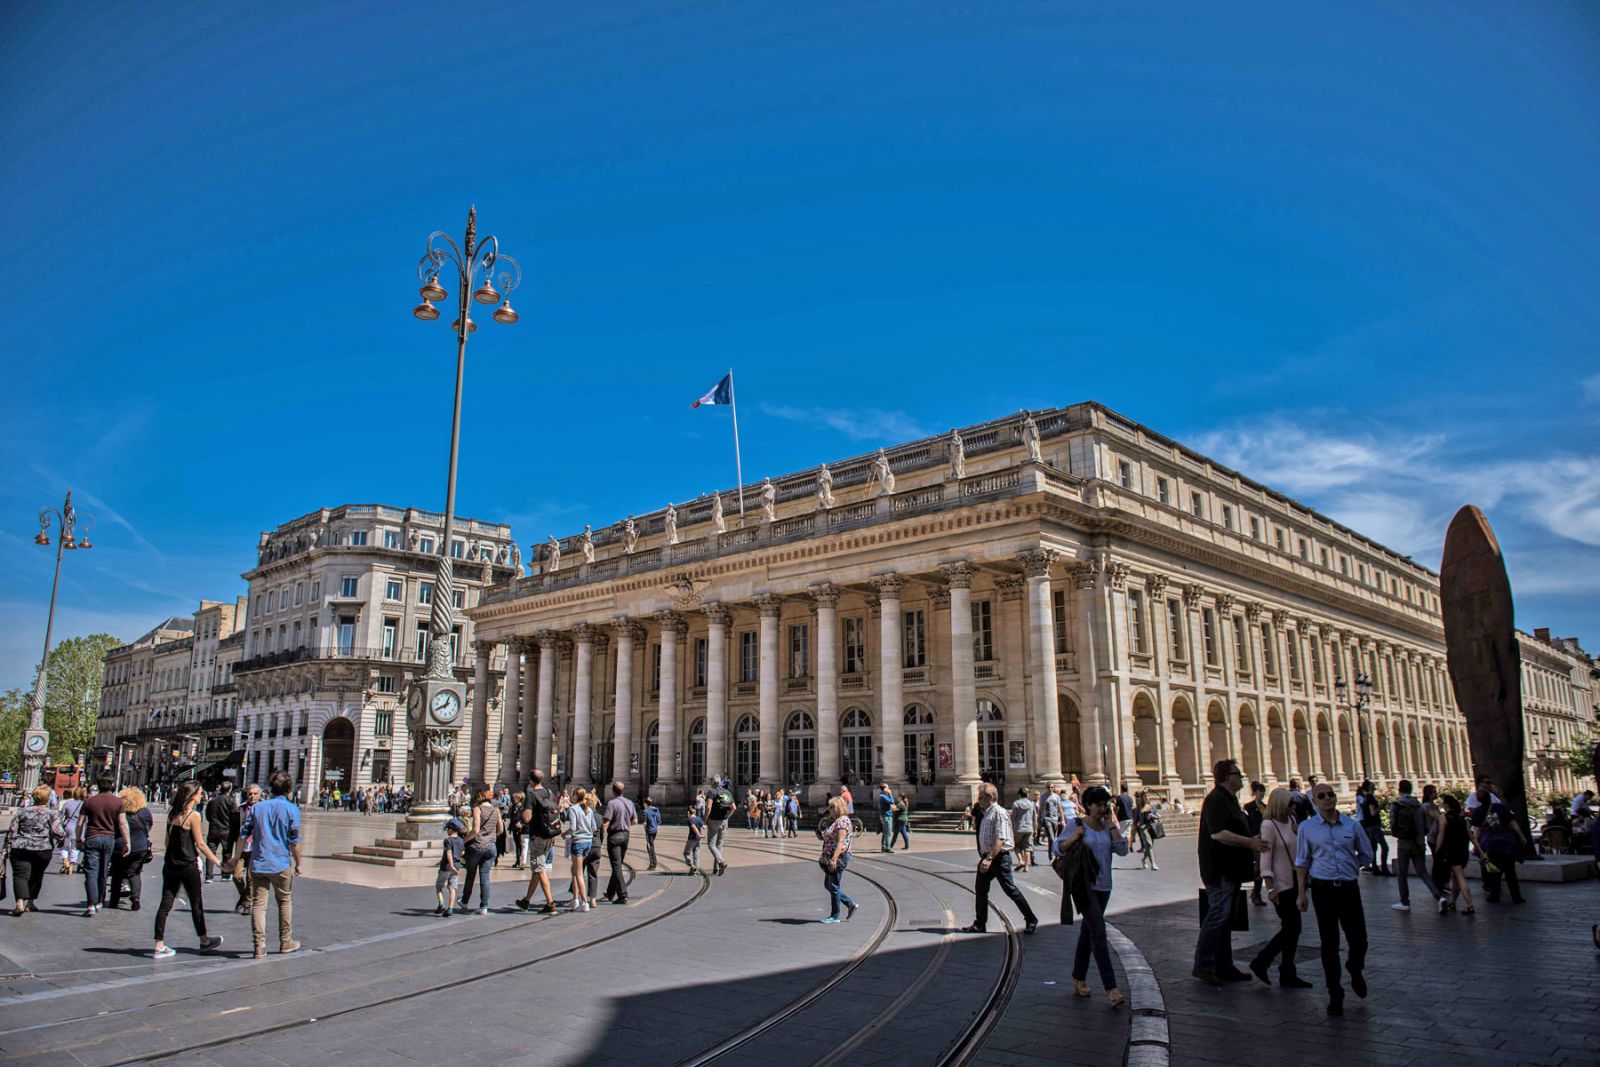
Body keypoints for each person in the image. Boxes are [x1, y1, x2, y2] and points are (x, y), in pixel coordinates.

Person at [1294, 781, 1374, 1016]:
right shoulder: (1307, 828)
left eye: (1331, 794)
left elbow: (1366, 854)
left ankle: (1354, 966)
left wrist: (1350, 867)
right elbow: (1302, 861)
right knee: (1329, 943)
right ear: (1315, 802)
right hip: (1323, 890)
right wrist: (1301, 893)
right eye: (1322, 796)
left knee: (1359, 938)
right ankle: (1334, 992)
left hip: (1348, 888)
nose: (1328, 798)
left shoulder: (1352, 825)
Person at [1193, 759, 1269, 986]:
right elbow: (1217, 833)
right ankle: (1203, 964)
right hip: (1220, 869)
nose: (1242, 778)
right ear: (1228, 776)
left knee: (1225, 918)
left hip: (1231, 869)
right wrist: (1249, 843)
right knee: (1218, 915)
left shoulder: (1229, 799)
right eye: (1238, 773)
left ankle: (1224, 965)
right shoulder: (1216, 799)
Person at [1056, 785, 1129, 1006]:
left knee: (1088, 931)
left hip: (1104, 886)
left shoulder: (1108, 827)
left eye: (1105, 804)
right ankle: (1112, 988)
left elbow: (1123, 850)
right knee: (1098, 932)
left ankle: (1078, 977)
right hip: (1084, 886)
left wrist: (1112, 827)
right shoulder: (1076, 824)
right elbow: (1057, 849)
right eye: (1098, 804)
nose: (1102, 808)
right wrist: (1073, 838)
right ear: (1088, 805)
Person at [152, 781, 226, 959]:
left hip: (170, 864)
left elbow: (167, 843)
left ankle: (159, 945)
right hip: (187, 865)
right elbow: (200, 844)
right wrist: (217, 862)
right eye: (200, 793)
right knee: (196, 903)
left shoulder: (173, 814)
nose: (202, 796)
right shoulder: (193, 816)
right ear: (193, 796)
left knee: (165, 904)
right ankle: (204, 939)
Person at [1249, 788, 1312, 989]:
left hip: (1295, 882)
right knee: (1293, 927)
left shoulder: (1291, 821)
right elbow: (1265, 858)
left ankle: (1286, 971)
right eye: (1290, 803)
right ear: (1280, 804)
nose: (1294, 806)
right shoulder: (1269, 825)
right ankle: (1263, 961)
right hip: (1281, 885)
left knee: (1292, 929)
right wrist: (1269, 888)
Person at [961, 783, 1039, 935]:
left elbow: (1001, 838)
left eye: (981, 797)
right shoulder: (987, 813)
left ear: (989, 797)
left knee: (1010, 889)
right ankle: (980, 923)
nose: (978, 800)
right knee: (981, 890)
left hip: (998, 857)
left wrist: (989, 858)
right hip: (988, 857)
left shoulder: (999, 813)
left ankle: (1031, 918)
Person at [245, 770, 302, 956]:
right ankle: (285, 942)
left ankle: (259, 946)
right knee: (284, 902)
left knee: (259, 905)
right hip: (280, 863)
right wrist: (298, 863)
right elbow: (294, 841)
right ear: (289, 789)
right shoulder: (292, 809)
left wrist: (235, 858)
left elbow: (243, 834)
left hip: (259, 863)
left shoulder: (257, 808)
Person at [1388, 780, 1447, 913]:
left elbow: (1393, 826)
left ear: (1399, 790)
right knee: (1423, 873)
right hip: (1419, 843)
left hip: (1404, 844)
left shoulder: (1397, 805)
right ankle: (1440, 897)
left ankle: (1405, 901)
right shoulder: (1419, 805)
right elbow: (1426, 826)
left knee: (1402, 873)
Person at [7, 785, 63, 915]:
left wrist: (7, 846)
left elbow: (13, 831)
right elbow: (58, 831)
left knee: (20, 876)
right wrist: (60, 838)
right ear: (48, 798)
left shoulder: (22, 812)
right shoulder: (51, 814)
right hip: (43, 849)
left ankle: (19, 903)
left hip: (21, 847)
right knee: (37, 875)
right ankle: (30, 903)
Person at [1470, 784, 1528, 905]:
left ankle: (1494, 895)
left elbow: (1477, 830)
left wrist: (1476, 845)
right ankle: (1516, 897)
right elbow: (1513, 823)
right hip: (1507, 842)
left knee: (1493, 871)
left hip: (1491, 844)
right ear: (1490, 797)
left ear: (1479, 800)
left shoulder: (1478, 811)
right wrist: (1522, 837)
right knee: (1510, 871)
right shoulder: (1501, 808)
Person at [513, 770, 562, 914]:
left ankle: (550, 903)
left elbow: (527, 817)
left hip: (538, 836)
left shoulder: (531, 794)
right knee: (537, 869)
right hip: (550, 835)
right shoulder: (549, 792)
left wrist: (521, 821)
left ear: (530, 780)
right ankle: (526, 900)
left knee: (540, 869)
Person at [77, 776, 124, 917]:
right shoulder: (118, 802)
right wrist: (127, 842)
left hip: (92, 837)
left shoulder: (89, 802)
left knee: (91, 871)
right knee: (103, 871)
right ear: (113, 785)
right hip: (109, 838)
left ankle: (91, 904)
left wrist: (78, 839)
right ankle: (99, 902)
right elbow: (122, 823)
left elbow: (80, 823)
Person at [108, 786, 154, 911]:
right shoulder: (145, 812)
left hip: (120, 846)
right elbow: (149, 826)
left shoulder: (119, 811)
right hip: (140, 846)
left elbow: (114, 828)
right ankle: (136, 898)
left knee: (117, 874)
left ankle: (114, 900)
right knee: (134, 873)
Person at [458, 788, 501, 915]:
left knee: (471, 874)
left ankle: (465, 901)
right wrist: (491, 837)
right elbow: (501, 830)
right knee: (485, 876)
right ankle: (484, 906)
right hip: (491, 847)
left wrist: (464, 841)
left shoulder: (478, 809)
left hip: (477, 846)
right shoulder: (496, 809)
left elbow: (475, 830)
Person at [818, 796, 859, 923]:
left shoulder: (842, 821)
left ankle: (835, 915)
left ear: (838, 808)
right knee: (828, 885)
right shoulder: (837, 820)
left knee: (834, 886)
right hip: (832, 855)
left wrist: (834, 859)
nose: (829, 810)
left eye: (831, 807)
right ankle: (850, 904)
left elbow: (841, 842)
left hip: (838, 856)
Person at [1434, 794, 1475, 914]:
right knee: (1456, 878)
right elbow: (1471, 836)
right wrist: (1481, 852)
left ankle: (1470, 905)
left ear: (1446, 805)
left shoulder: (1444, 817)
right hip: (1463, 851)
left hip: (1451, 851)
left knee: (1460, 877)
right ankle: (1452, 902)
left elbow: (1440, 837)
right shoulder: (1462, 818)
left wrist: (1437, 852)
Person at [564, 787, 598, 912]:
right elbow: (594, 827)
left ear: (574, 796)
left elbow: (572, 828)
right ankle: (575, 899)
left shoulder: (573, 809)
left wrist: (564, 834)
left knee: (578, 873)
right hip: (588, 842)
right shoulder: (589, 809)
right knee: (574, 870)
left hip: (578, 842)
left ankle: (584, 902)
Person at [603, 781, 637, 904]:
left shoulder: (612, 803)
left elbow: (606, 822)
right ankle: (610, 892)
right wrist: (625, 823)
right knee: (617, 865)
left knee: (616, 866)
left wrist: (599, 835)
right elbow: (635, 821)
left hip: (614, 836)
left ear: (613, 790)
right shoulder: (629, 803)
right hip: (625, 836)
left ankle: (622, 894)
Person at [232, 784, 262, 915]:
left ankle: (247, 902)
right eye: (250, 793)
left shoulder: (263, 809)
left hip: (255, 848)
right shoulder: (240, 809)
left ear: (259, 795)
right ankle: (244, 896)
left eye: (255, 794)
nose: (252, 796)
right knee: (236, 876)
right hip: (241, 847)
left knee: (251, 878)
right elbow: (232, 830)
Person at [203, 781, 238, 882]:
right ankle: (226, 874)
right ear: (230, 789)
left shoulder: (212, 801)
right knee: (227, 853)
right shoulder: (231, 801)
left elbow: (208, 816)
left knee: (210, 853)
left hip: (213, 830)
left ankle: (209, 876)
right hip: (227, 830)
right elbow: (235, 815)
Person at [1355, 781, 1390, 875]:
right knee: (1384, 847)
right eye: (1373, 787)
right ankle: (1384, 868)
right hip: (1374, 825)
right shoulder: (1370, 798)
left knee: (1373, 847)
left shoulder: (1365, 798)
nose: (1374, 789)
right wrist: (1382, 805)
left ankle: (1375, 868)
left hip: (1369, 825)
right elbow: (1373, 813)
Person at [1244, 781, 1267, 905]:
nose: (1262, 794)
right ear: (1255, 792)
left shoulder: (1266, 807)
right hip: (1254, 839)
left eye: (1263, 791)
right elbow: (1246, 823)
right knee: (1258, 868)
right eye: (1260, 791)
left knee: (1262, 868)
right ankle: (1256, 894)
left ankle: (1256, 892)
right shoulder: (1248, 807)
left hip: (1264, 840)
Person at [705, 779, 734, 876]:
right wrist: (727, 817)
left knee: (711, 844)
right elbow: (734, 807)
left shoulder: (711, 792)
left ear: (713, 782)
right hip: (724, 821)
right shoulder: (727, 792)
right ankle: (716, 868)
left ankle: (721, 863)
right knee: (719, 845)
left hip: (714, 820)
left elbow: (708, 807)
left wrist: (705, 820)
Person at [436, 819, 464, 916]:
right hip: (456, 867)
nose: (447, 830)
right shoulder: (461, 840)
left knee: (439, 886)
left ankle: (441, 904)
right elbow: (462, 852)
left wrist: (451, 865)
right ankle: (450, 908)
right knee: (452, 888)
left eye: (447, 829)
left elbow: (448, 853)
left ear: (451, 830)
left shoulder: (447, 840)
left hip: (447, 866)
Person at [57, 787, 83, 876]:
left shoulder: (67, 803)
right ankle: (71, 865)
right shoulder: (84, 804)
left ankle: (65, 861)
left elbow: (61, 816)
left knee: (65, 846)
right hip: (78, 829)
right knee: (75, 848)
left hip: (68, 828)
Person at [1010, 787, 1036, 871]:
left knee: (1017, 846)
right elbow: (1034, 817)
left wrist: (1011, 827)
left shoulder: (1016, 804)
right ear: (1027, 794)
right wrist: (1035, 829)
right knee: (1028, 848)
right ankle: (1026, 867)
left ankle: (1020, 861)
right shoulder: (1032, 804)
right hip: (1029, 828)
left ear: (1019, 794)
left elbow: (1013, 817)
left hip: (1018, 828)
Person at [1134, 791, 1159, 870]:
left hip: (1151, 827)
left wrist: (1153, 815)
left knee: (1149, 846)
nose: (1147, 797)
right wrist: (1134, 826)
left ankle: (1144, 859)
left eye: (1148, 796)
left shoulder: (1152, 806)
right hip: (1143, 827)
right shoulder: (1139, 807)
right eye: (1145, 796)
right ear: (1142, 797)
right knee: (1149, 844)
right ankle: (1153, 863)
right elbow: (1136, 818)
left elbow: (1158, 815)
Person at [1041, 784, 1065, 859]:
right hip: (1046, 818)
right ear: (1046, 788)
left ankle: (1052, 854)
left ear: (1053, 788)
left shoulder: (1056, 796)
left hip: (1055, 818)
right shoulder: (1043, 796)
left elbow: (1060, 808)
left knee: (1053, 838)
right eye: (1048, 787)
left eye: (1051, 787)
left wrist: (1062, 819)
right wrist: (1039, 819)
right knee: (1052, 838)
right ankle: (1052, 855)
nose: (1050, 789)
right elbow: (1041, 808)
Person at [508, 790, 528, 869]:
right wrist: (510, 827)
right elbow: (512, 817)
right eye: (513, 798)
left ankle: (522, 861)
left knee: (522, 845)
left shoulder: (524, 806)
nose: (514, 799)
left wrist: (522, 823)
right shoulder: (513, 806)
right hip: (515, 828)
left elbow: (526, 816)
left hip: (522, 828)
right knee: (517, 845)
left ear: (520, 798)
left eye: (516, 798)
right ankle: (518, 860)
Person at [642, 796, 662, 870]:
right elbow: (659, 821)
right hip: (655, 830)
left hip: (649, 830)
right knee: (650, 846)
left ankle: (653, 864)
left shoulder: (645, 811)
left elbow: (644, 822)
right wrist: (656, 827)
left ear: (645, 803)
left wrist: (645, 829)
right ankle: (652, 863)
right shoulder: (656, 810)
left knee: (650, 847)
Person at [684, 806, 705, 874]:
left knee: (686, 853)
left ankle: (692, 865)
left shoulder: (689, 819)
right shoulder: (699, 818)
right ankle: (695, 869)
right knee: (696, 853)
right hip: (698, 839)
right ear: (695, 812)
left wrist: (698, 834)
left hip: (692, 838)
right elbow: (704, 827)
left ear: (688, 812)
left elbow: (693, 826)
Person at [877, 784, 896, 853]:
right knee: (888, 832)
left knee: (885, 832)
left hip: (886, 815)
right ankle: (887, 847)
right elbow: (892, 801)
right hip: (886, 816)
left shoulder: (883, 796)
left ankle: (884, 846)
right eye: (888, 788)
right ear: (885, 789)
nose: (889, 789)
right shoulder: (882, 796)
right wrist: (890, 793)